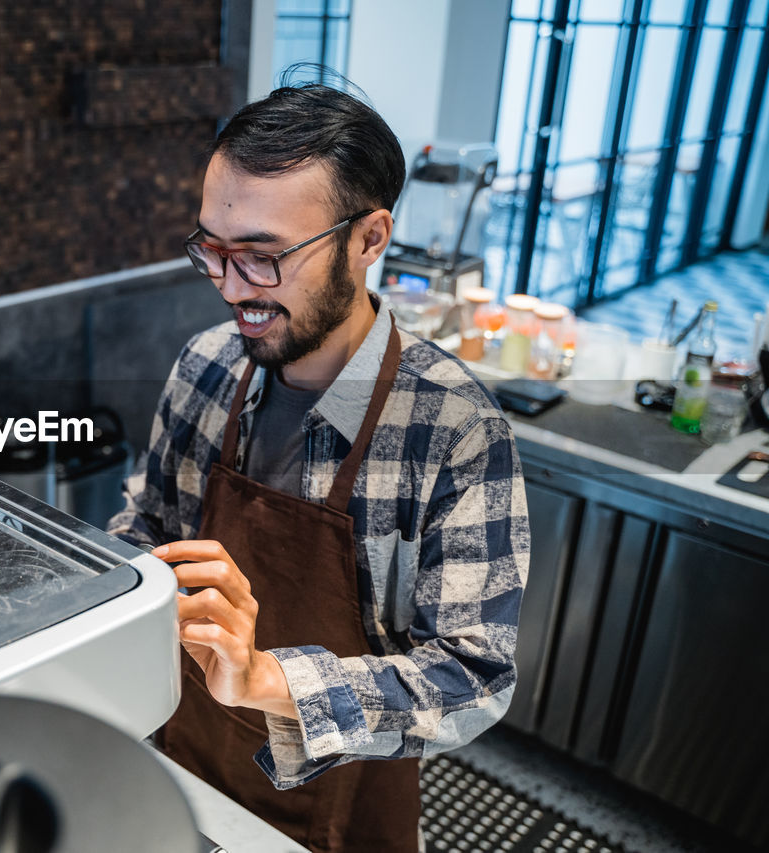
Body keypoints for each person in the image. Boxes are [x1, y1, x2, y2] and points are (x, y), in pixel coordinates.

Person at [106, 79, 529, 853]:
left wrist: (266, 677)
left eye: (264, 258)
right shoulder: (204, 367)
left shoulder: (454, 429)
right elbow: (146, 524)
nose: (233, 289)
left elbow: (471, 677)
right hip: (187, 765)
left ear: (369, 239)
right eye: (213, 250)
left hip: (344, 805)